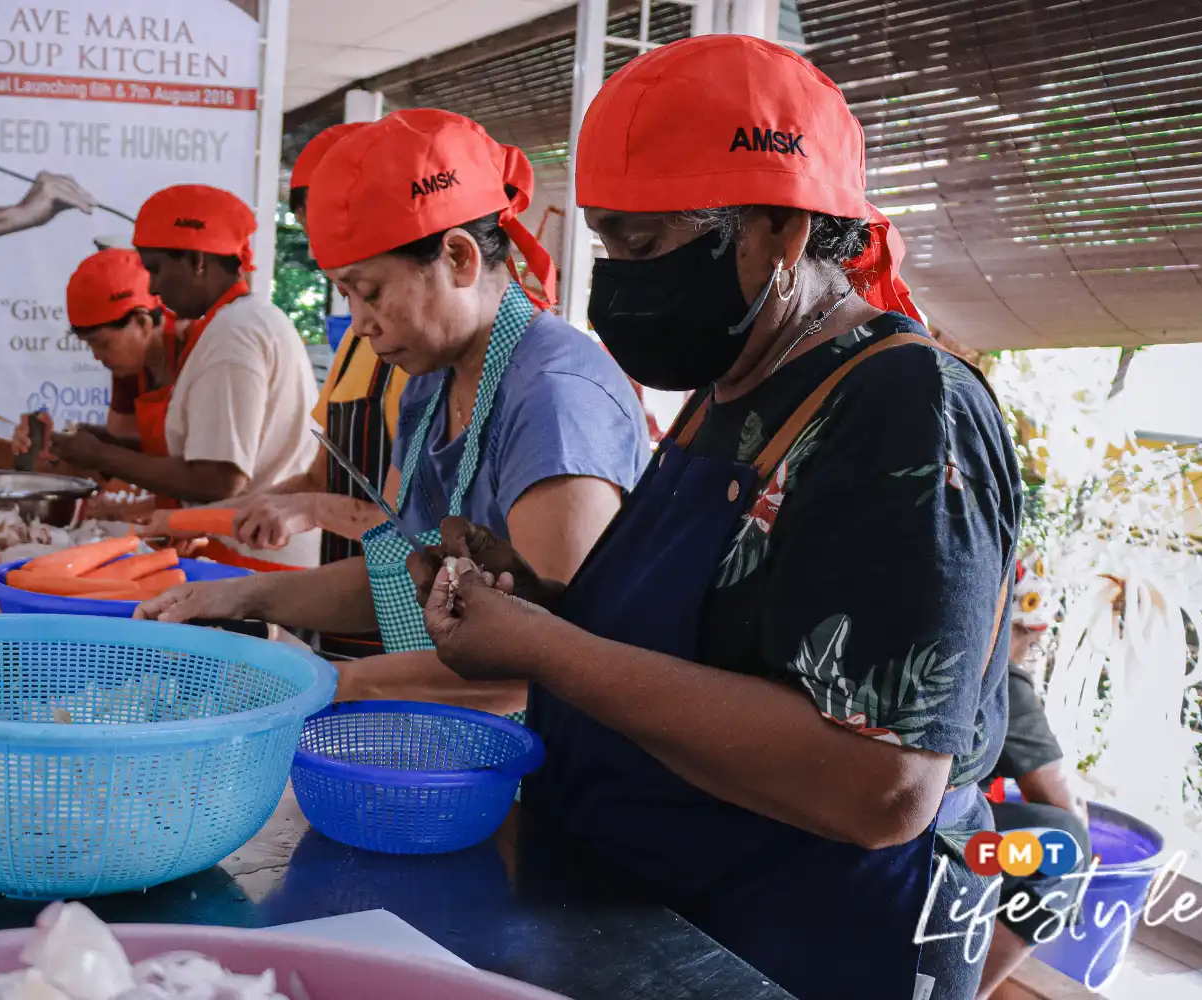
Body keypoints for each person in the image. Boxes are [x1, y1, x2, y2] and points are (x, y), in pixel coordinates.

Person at [407, 35, 1021, 1000]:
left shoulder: (906, 408)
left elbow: (884, 784)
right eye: (606, 244)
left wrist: (545, 649)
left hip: (802, 950)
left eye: (644, 247)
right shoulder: (734, 383)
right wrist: (535, 600)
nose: (619, 280)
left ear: (779, 228)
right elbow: (721, 639)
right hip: (654, 914)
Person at [139, 111, 649, 714]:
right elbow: (397, 583)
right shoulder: (430, 385)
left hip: (543, 769)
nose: (358, 322)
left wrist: (323, 685)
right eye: (347, 295)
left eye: (370, 291)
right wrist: (238, 597)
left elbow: (554, 662)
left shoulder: (556, 402)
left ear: (458, 257)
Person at [54, 184, 322, 569]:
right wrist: (108, 446)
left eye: (157, 269)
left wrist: (101, 454)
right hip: (246, 552)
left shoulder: (234, 334)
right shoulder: (236, 323)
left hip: (258, 559)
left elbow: (216, 480)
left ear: (197, 260)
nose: (154, 287)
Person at [220, 121, 411, 656]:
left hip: (406, 628)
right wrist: (236, 512)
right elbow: (323, 474)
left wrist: (308, 509)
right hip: (345, 602)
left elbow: (418, 536)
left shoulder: (437, 361)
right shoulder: (356, 338)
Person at [977, 554, 1091, 1000]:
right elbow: (1067, 805)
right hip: (928, 848)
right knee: (1063, 845)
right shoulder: (998, 675)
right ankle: (961, 990)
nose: (1025, 654)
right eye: (1026, 640)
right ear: (1015, 627)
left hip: (854, 823)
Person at [9, 248, 173, 476]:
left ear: (142, 322)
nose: (96, 356)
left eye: (102, 343)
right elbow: (127, 462)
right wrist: (56, 446)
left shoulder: (203, 355)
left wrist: (98, 454)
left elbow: (216, 480)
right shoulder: (132, 365)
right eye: (89, 345)